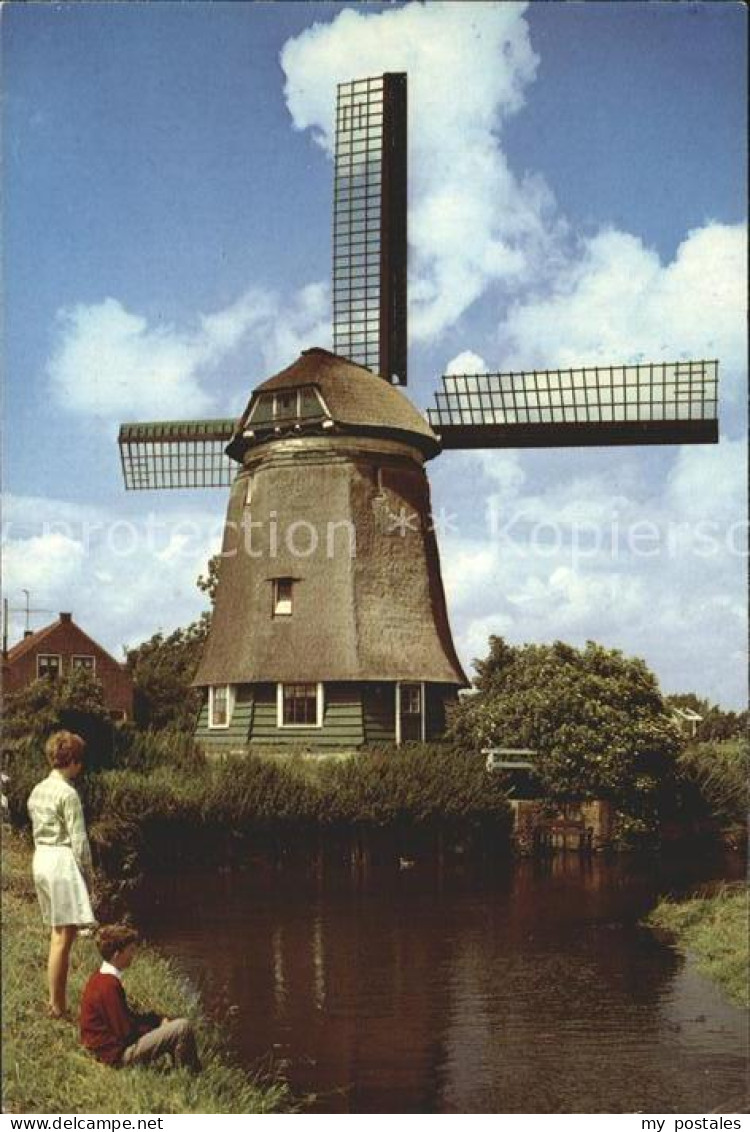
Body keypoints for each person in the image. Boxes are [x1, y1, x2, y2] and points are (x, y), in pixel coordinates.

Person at [27, 730, 95, 1018]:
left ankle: (56, 1002)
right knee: (63, 939)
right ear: (74, 761)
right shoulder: (68, 794)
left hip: (41, 857)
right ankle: (57, 1006)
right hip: (60, 861)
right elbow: (79, 841)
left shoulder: (37, 789)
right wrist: (89, 877)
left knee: (57, 933)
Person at [80, 924, 201, 1073]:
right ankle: (190, 1076)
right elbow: (126, 1033)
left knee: (171, 1025)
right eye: (130, 950)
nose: (134, 954)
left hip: (109, 1050)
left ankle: (181, 1069)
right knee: (183, 1027)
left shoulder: (100, 977)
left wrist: (156, 1020)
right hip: (115, 1057)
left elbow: (127, 1018)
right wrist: (156, 1029)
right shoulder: (108, 986)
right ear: (117, 955)